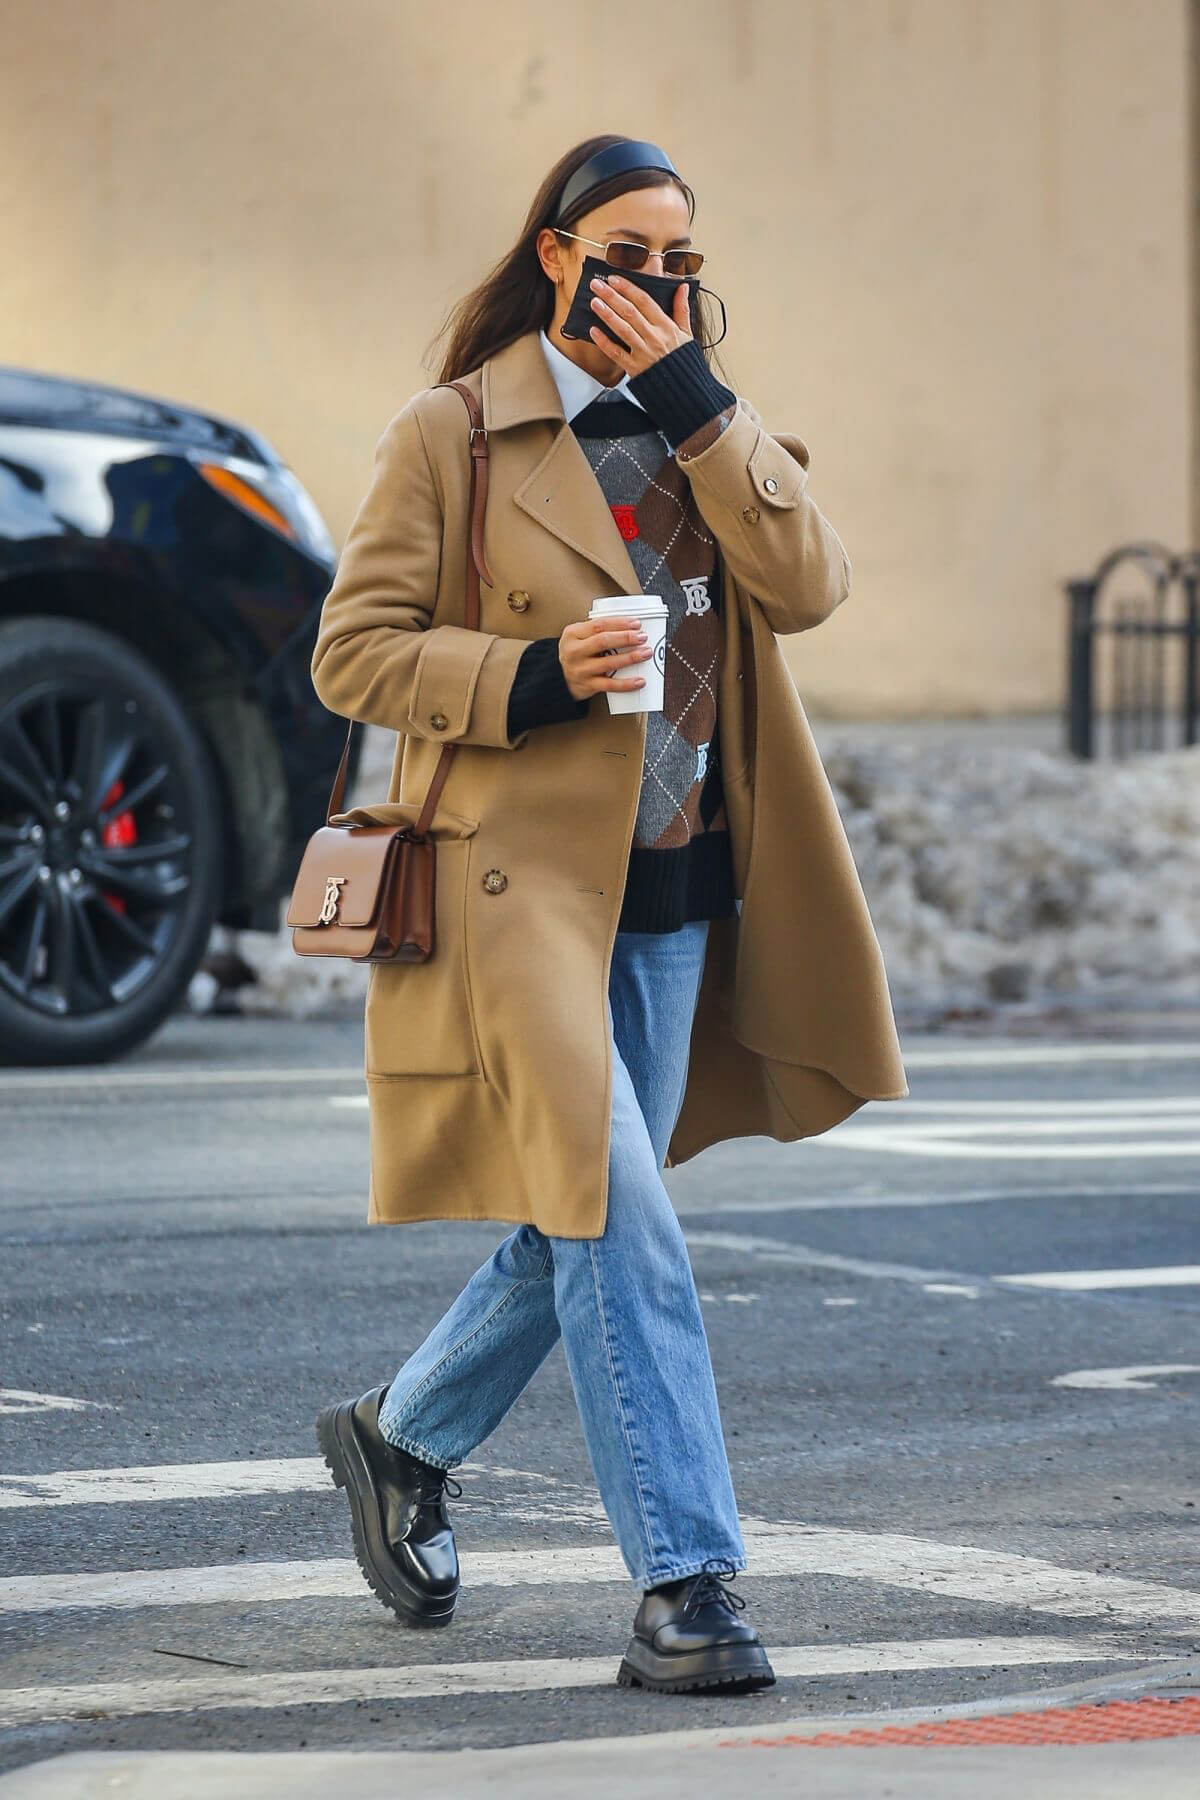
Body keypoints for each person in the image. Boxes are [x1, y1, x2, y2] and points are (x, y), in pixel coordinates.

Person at [310, 134, 909, 1697]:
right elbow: (353, 650)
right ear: (560, 254)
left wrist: (711, 412)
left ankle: (399, 1439)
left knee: (580, 1204)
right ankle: (688, 1584)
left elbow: (815, 585)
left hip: (678, 887)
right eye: (630, 252)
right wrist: (524, 676)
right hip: (515, 892)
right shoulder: (460, 434)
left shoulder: (707, 426)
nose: (659, 283)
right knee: (613, 1207)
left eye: (683, 262)